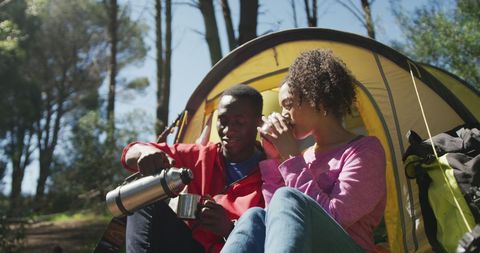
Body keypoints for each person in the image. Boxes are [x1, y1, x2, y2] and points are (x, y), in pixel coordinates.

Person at [221, 49, 386, 253]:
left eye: (288, 104)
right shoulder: (304, 156)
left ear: (319, 99)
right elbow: (277, 220)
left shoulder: (365, 150)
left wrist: (290, 156)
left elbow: (335, 219)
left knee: (287, 196)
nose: (283, 115)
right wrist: (274, 159)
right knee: (254, 216)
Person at [121, 85, 266, 253]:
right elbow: (130, 153)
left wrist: (230, 229)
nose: (228, 130)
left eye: (239, 122)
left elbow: (274, 241)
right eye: (223, 121)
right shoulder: (200, 156)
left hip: (237, 249)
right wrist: (146, 152)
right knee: (144, 198)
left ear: (259, 122)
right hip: (189, 246)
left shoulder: (272, 175)